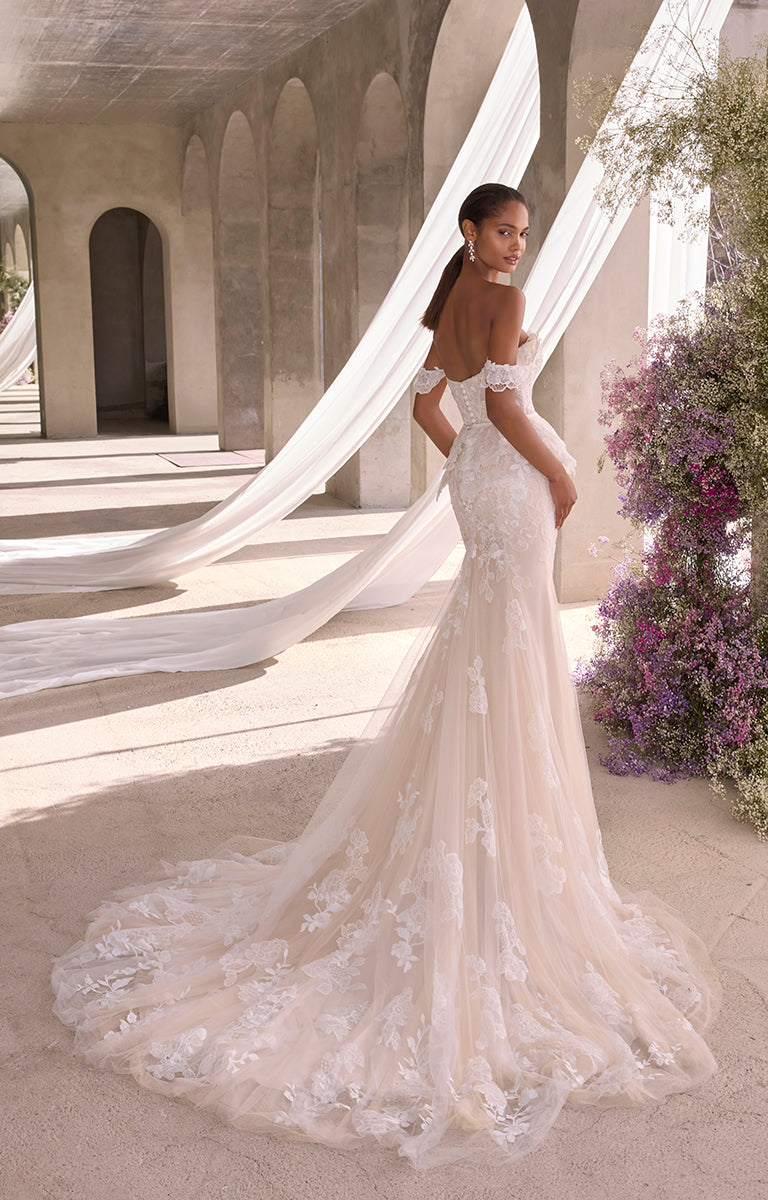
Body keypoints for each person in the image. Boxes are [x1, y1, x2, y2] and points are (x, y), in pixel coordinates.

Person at [51, 184, 719, 1169]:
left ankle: (486, 830)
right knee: (511, 648)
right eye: (503, 231)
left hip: (480, 484)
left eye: (523, 234)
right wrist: (560, 475)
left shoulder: (451, 301)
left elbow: (428, 406)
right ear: (470, 231)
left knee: (487, 646)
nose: (516, 246)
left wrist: (471, 460)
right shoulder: (502, 299)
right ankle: (505, 846)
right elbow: (502, 402)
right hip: (514, 485)